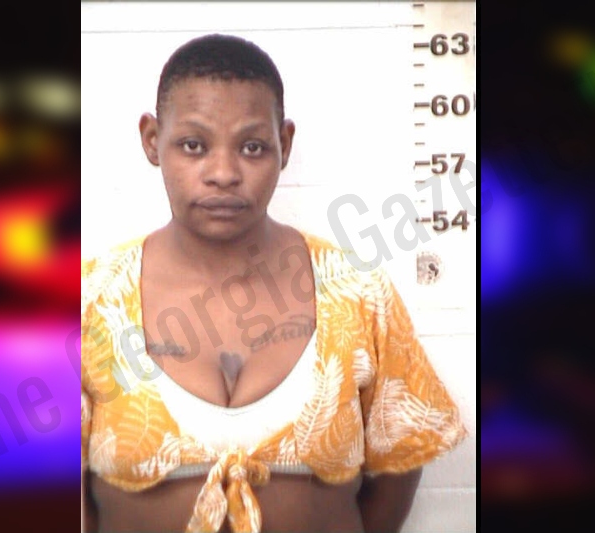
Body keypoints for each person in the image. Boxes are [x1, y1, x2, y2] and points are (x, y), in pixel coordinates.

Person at [81, 34, 467, 533]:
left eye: (252, 147)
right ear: (152, 140)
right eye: (194, 145)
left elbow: (401, 457)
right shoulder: (92, 300)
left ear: (284, 145)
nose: (224, 173)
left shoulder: (356, 291)